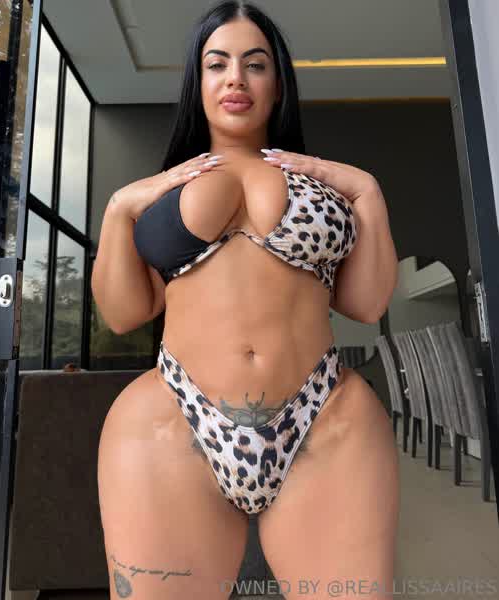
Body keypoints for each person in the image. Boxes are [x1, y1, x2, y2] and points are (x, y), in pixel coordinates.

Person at [92, 1, 400, 598]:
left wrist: (367, 192)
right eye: (218, 64)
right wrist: (119, 209)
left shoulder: (320, 183)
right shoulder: (162, 191)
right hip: (174, 418)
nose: (236, 78)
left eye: (255, 65)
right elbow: (124, 313)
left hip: (323, 416)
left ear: (277, 83)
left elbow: (365, 304)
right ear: (198, 81)